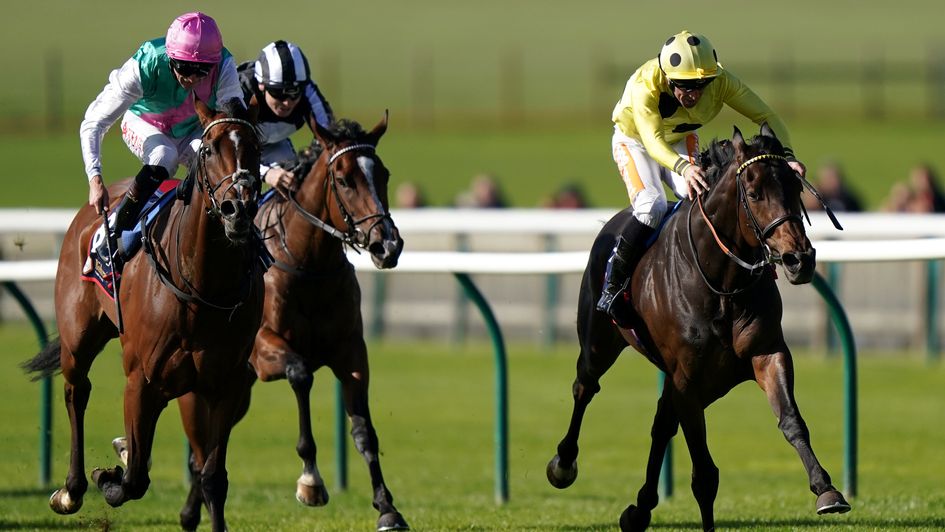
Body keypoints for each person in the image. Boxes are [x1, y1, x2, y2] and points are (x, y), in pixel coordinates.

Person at [598, 30, 807, 318]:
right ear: (668, 79)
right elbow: (652, 141)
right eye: (685, 86)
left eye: (701, 84)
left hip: (680, 139)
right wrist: (684, 167)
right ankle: (613, 282)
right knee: (650, 206)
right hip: (636, 142)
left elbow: (767, 116)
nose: (694, 94)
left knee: (700, 195)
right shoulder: (645, 85)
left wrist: (788, 158)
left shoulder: (722, 82)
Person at [80, 12, 243, 241]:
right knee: (164, 155)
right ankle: (112, 235)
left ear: (213, 64)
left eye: (203, 71)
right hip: (144, 122)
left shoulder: (224, 65)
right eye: (184, 68)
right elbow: (93, 123)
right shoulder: (146, 63)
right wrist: (95, 179)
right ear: (170, 57)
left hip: (191, 129)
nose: (193, 79)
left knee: (214, 160)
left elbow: (234, 124)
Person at [237, 40, 335, 193]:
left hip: (275, 144)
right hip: (235, 148)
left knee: (294, 185)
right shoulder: (240, 92)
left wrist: (311, 156)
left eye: (294, 93)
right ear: (262, 85)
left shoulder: (307, 91)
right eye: (278, 93)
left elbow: (330, 137)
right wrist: (266, 173)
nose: (287, 102)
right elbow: (227, 151)